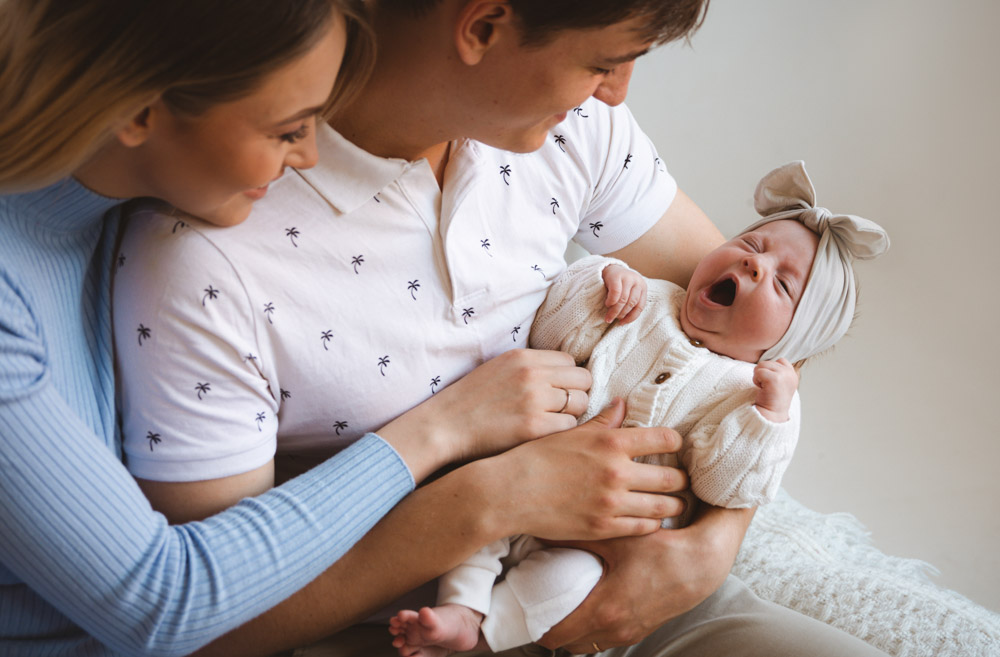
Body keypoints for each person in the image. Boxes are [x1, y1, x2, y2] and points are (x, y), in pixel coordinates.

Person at [120, 3, 890, 657]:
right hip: (396, 622)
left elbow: (759, 331)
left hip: (633, 576)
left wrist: (709, 548)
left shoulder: (576, 128)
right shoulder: (208, 249)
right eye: (607, 61)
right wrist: (496, 497)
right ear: (483, 24)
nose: (618, 93)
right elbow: (212, 617)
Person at [0, 2, 678, 655]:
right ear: (141, 108)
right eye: (289, 127)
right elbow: (159, 605)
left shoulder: (103, 208)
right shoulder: (68, 278)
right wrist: (451, 439)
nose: (310, 156)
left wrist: (708, 545)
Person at [387, 161, 890, 656]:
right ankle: (460, 610)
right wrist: (602, 283)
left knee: (567, 582)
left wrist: (767, 420)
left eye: (782, 285)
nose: (754, 263)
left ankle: (488, 635)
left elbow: (725, 486)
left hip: (602, 548)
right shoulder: (648, 299)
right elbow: (552, 333)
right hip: (516, 488)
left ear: (790, 346)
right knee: (474, 535)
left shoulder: (753, 396)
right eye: (750, 245)